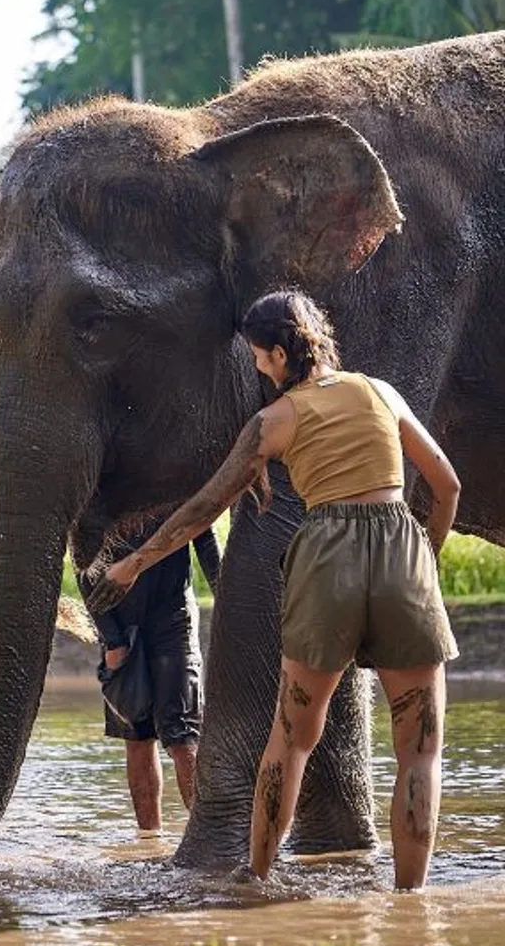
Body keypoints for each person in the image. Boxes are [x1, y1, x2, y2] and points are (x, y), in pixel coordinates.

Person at [87, 289, 459, 889]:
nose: (259, 369)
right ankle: (411, 898)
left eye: (260, 358)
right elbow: (446, 485)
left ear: (281, 355)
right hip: (400, 551)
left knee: (290, 741)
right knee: (419, 750)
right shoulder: (382, 393)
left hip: (326, 555)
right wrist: (423, 559)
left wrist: (134, 564)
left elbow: (207, 506)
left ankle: (255, 880)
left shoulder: (274, 420)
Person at [86, 518, 221, 834]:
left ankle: (206, 838)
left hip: (174, 619)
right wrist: (112, 638)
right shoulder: (97, 481)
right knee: (136, 736)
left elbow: (204, 536)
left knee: (183, 736)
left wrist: (227, 599)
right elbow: (84, 562)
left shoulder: (177, 474)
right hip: (118, 621)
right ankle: (150, 840)